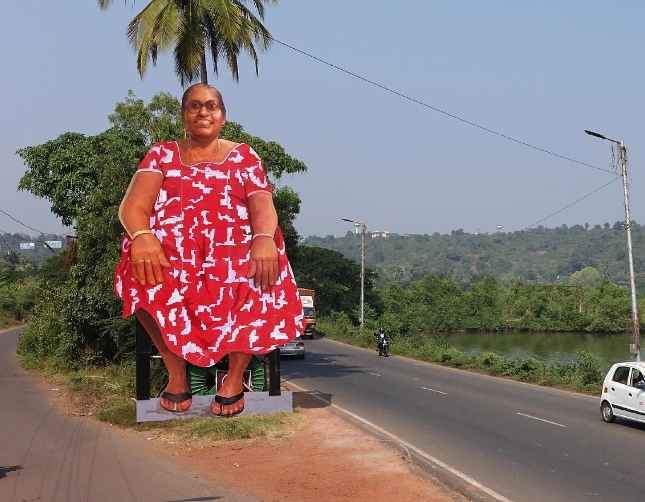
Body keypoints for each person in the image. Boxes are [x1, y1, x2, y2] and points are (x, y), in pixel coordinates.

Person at [114, 83, 305, 417]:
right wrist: (143, 235)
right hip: (176, 258)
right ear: (183, 115)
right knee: (137, 270)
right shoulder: (162, 154)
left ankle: (232, 382)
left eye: (212, 105)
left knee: (264, 263)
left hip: (233, 257)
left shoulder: (244, 155)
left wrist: (262, 237)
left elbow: (262, 204)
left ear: (223, 115)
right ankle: (177, 377)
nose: (203, 112)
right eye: (194, 105)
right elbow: (133, 206)